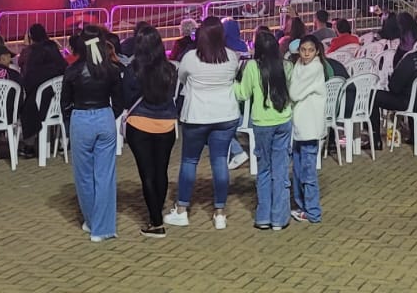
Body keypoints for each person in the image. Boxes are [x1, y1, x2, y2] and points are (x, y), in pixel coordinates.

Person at [167, 17, 239, 230]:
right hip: (225, 114)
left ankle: (182, 210)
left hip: (197, 115)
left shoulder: (190, 57)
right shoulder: (232, 57)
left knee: (189, 161)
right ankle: (220, 212)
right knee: (219, 161)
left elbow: (181, 77)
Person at [60, 29, 125, 242]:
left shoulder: (72, 71)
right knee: (105, 175)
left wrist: (73, 121)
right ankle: (104, 227)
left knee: (84, 176)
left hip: (81, 118)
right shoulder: (111, 70)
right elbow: (119, 102)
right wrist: (107, 115)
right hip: (105, 116)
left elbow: (65, 104)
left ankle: (92, 220)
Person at [120, 25, 178, 238]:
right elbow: (170, 94)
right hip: (166, 124)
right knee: (161, 171)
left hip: (140, 124)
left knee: (147, 174)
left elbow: (127, 99)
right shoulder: (170, 69)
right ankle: (157, 213)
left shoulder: (133, 69)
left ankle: (155, 221)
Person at [235, 31, 294, 230]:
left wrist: (231, 83)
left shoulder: (252, 66)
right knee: (280, 169)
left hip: (261, 123)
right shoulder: (286, 65)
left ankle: (263, 216)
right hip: (283, 119)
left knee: (264, 170)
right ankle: (279, 217)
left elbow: (242, 93)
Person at [289, 35, 329, 224]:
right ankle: (301, 206)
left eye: (310, 50)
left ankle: (313, 211)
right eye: (303, 50)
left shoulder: (315, 68)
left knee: (307, 171)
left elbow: (294, 92)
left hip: (309, 127)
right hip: (299, 126)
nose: (306, 54)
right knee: (297, 169)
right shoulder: (299, 64)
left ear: (317, 51)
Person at [19, 24, 68, 154]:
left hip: (41, 100)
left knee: (25, 106)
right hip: (58, 100)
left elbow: (30, 78)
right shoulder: (54, 50)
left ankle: (28, 145)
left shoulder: (34, 52)